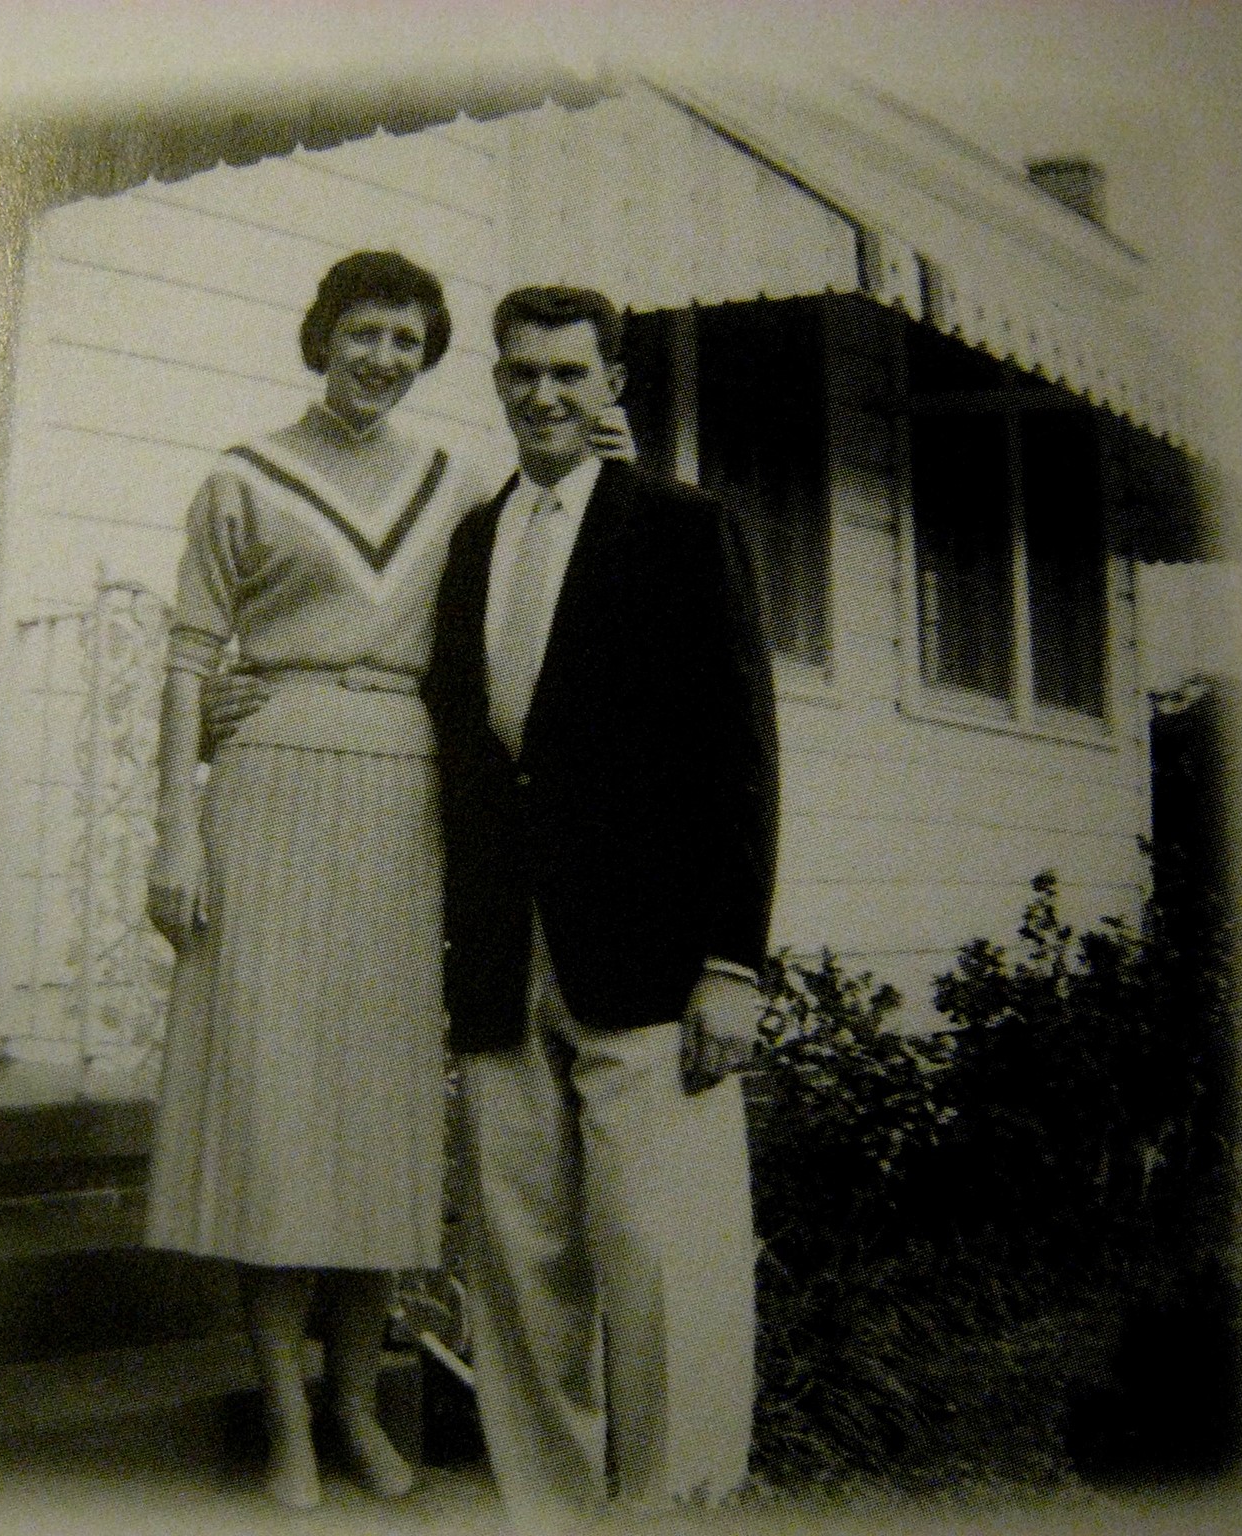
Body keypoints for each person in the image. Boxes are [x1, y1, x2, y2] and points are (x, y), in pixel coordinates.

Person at [418, 286, 780, 1522]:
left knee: (661, 1263)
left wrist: (732, 960)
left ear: (612, 382)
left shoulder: (680, 528)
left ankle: (669, 1506)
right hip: (502, 960)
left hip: (646, 957)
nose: (542, 395)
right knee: (521, 1276)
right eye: (520, 373)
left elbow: (738, 753)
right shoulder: (471, 539)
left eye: (568, 373)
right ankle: (550, 1513)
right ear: (498, 381)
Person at [143, 250, 468, 1511]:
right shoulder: (241, 476)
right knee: (274, 1117)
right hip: (269, 792)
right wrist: (175, 828)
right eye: (360, 332)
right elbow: (186, 660)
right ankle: (284, 1419)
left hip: (402, 795)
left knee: (374, 1120)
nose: (380, 357)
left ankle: (353, 1403)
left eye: (404, 337)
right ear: (318, 337)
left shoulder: (456, 485)